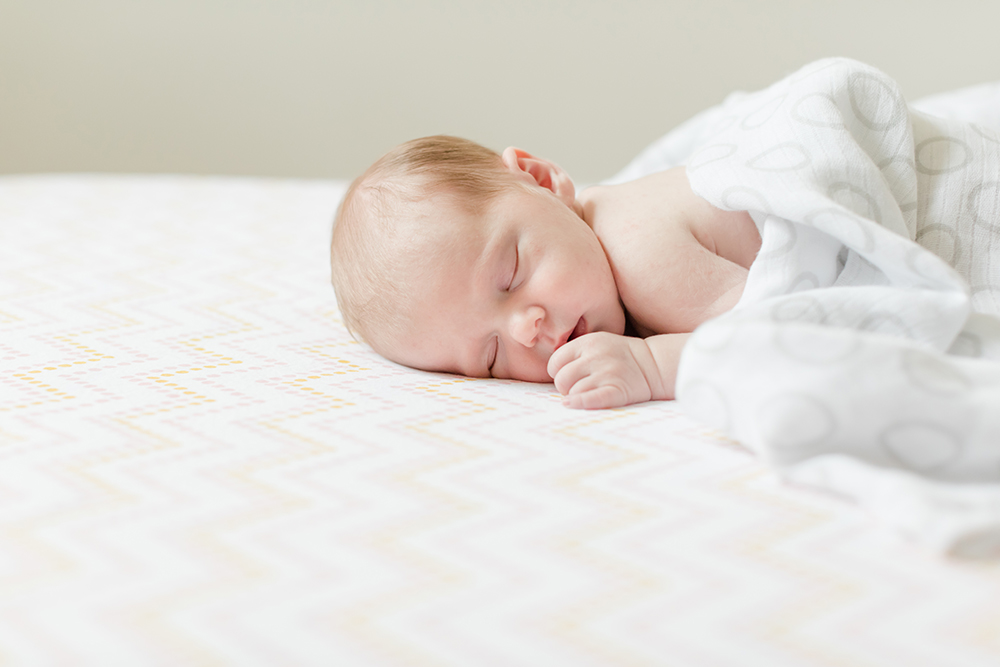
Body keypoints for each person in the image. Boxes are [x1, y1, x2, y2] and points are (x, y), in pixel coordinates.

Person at [330, 135, 761, 409]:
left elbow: (779, 330)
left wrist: (652, 366)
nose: (524, 330)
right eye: (492, 357)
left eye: (511, 275)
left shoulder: (637, 249)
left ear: (541, 180)